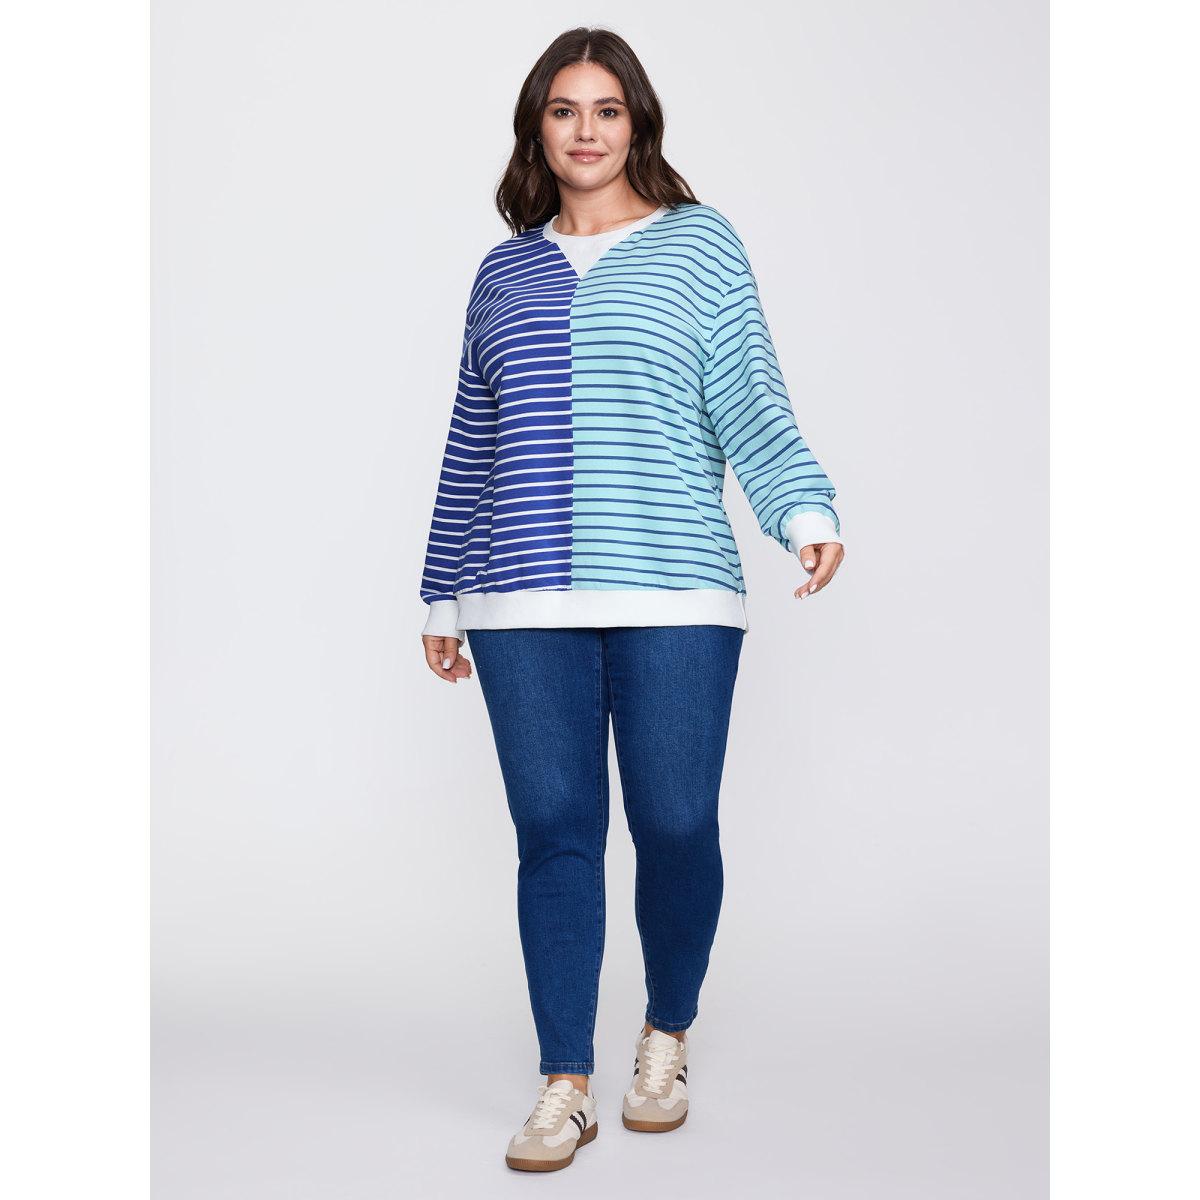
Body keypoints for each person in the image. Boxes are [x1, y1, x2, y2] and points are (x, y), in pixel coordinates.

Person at [418, 26, 845, 1173]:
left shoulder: (700, 245)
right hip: (519, 596)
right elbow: (473, 439)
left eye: (607, 109)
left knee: (676, 823)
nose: (587, 130)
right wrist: (443, 591)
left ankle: (667, 1034)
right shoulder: (504, 271)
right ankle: (565, 1081)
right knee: (555, 835)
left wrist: (802, 508)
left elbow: (748, 393)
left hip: (677, 584)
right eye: (564, 110)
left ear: (638, 123)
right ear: (537, 128)